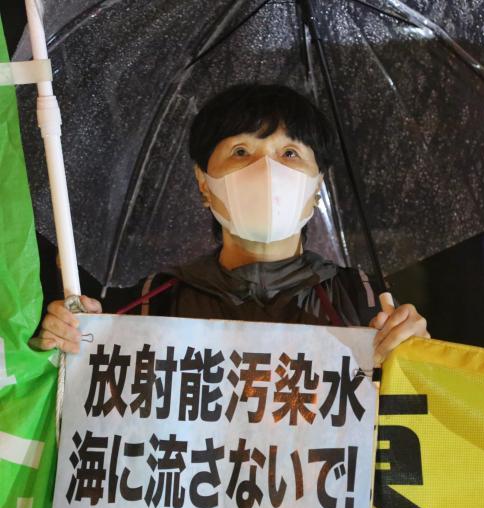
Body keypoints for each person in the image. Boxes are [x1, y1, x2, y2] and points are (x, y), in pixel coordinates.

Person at [32, 84, 429, 363]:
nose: (267, 170)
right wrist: (62, 344)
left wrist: (419, 358)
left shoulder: (365, 302)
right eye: (241, 151)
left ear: (317, 185)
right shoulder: (153, 303)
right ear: (204, 183)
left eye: (290, 153)